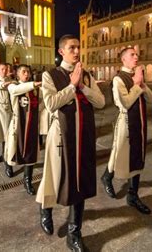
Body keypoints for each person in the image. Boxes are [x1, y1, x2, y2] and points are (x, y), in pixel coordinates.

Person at [35, 35, 105, 251]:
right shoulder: (50, 75)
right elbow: (51, 103)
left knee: (80, 181)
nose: (77, 51)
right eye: (72, 48)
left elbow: (101, 102)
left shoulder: (85, 75)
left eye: (78, 47)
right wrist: (72, 86)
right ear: (61, 51)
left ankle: (75, 232)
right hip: (60, 136)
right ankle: (46, 209)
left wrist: (83, 87)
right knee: (54, 177)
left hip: (83, 136)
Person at [100, 46, 152, 215]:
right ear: (123, 59)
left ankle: (133, 194)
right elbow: (126, 103)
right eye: (132, 55)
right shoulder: (118, 79)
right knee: (120, 153)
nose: (136, 57)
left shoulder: (137, 77)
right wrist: (137, 84)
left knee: (137, 155)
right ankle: (107, 177)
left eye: (137, 54)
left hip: (140, 122)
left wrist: (142, 84)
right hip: (126, 122)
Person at [5, 65, 42, 195]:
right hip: (18, 125)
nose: (27, 74)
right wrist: (33, 84)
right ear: (18, 74)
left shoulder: (35, 89)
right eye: (23, 72)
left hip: (31, 126)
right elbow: (15, 90)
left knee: (31, 154)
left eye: (28, 72)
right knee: (12, 150)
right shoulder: (13, 86)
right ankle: (8, 165)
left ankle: (28, 181)